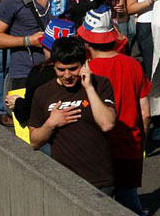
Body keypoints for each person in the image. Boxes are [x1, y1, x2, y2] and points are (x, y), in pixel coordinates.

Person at [78, 6, 151, 216]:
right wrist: (141, 145)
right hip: (130, 146)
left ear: (87, 42)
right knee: (130, 207)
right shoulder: (134, 65)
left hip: (97, 150)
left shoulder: (87, 71)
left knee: (98, 210)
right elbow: (145, 113)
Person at [27, 36, 117, 191]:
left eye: (73, 69)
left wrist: (89, 88)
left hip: (98, 179)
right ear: (53, 66)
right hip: (63, 182)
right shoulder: (43, 93)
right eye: (61, 70)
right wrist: (50, 124)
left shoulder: (100, 85)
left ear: (84, 65)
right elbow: (34, 141)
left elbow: (107, 124)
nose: (67, 75)